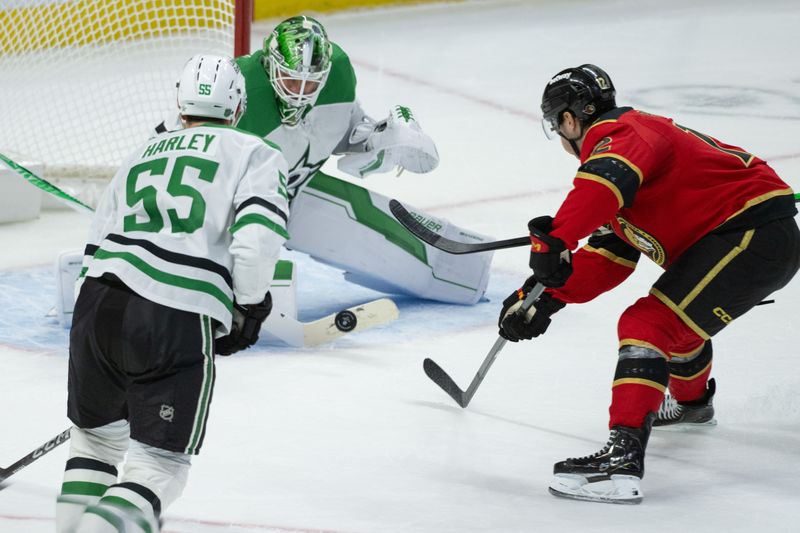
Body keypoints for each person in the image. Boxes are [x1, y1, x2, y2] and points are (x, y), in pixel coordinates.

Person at [497, 64, 799, 504]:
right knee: (675, 323)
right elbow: (607, 261)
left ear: (568, 119)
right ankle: (693, 404)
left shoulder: (625, 134)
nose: (562, 141)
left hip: (750, 234)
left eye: (556, 127)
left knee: (648, 324)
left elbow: (599, 188)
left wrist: (555, 241)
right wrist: (541, 297)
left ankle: (622, 456)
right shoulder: (624, 170)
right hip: (743, 239)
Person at [56, 54, 289, 531]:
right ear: (239, 106)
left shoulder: (144, 150)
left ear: (179, 99)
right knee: (158, 467)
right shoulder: (255, 152)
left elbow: (97, 238)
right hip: (172, 312)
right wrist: (249, 306)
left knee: (94, 445)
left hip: (97, 301)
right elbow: (255, 241)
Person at [231, 15, 492, 305]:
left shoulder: (337, 76)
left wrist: (383, 140)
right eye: (292, 80)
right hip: (235, 207)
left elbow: (343, 136)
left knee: (452, 271)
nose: (301, 93)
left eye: (311, 83)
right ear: (269, 65)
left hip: (296, 191)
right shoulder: (238, 88)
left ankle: (466, 274)